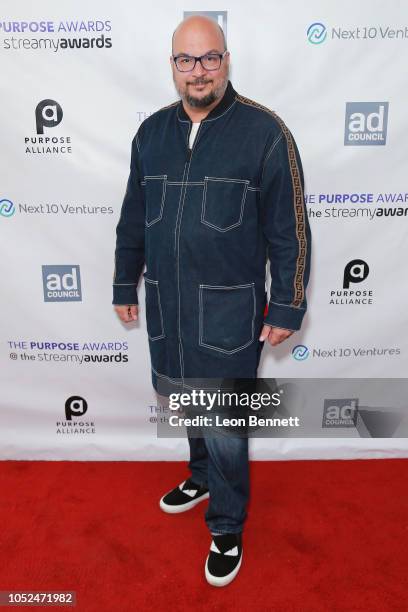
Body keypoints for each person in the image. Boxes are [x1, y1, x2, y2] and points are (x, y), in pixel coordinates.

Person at [113, 15, 311, 587]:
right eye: (185, 60)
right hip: (166, 306)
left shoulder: (265, 133)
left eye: (209, 58)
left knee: (224, 422)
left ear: (226, 60)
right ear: (172, 66)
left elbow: (290, 230)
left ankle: (226, 525)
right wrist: (126, 282)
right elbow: (132, 216)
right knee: (180, 398)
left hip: (229, 311)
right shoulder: (151, 133)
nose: (197, 71)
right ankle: (198, 474)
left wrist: (288, 306)